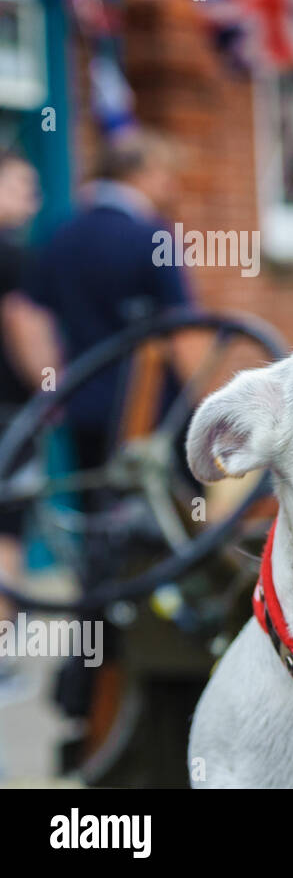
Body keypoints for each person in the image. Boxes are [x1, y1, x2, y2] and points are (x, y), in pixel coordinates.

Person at [16, 129, 200, 472]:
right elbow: (184, 332)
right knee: (173, 515)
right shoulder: (152, 236)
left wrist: (51, 383)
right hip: (154, 412)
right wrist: (207, 403)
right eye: (165, 174)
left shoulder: (61, 233)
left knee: (97, 509)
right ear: (139, 173)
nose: (172, 185)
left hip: (85, 405)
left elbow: (27, 315)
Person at [0, 150, 42, 702]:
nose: (33, 197)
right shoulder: (13, 257)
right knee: (6, 535)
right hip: (7, 416)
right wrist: (51, 386)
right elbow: (25, 327)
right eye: (22, 184)